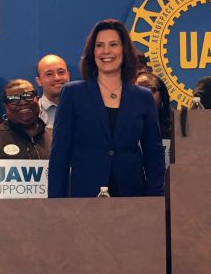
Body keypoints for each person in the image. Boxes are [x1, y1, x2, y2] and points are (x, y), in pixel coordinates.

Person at [48, 19, 165, 198]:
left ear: (124, 51)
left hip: (132, 196)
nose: (106, 51)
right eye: (99, 45)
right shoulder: (73, 94)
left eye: (113, 44)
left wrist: (155, 201)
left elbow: (154, 155)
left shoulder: (143, 97)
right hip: (84, 197)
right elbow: (59, 154)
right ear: (92, 52)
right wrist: (55, 205)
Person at [0, 79, 52, 159]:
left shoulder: (53, 137)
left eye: (28, 96)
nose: (23, 102)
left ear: (37, 99)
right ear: (6, 106)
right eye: (14, 99)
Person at [35, 54, 70, 128]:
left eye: (61, 72)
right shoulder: (32, 114)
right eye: (49, 74)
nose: (57, 78)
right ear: (39, 81)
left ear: (68, 76)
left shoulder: (85, 108)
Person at [135, 71, 172, 139]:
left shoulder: (175, 127)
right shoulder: (122, 126)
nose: (144, 95)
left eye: (149, 89)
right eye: (137, 90)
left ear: (162, 95)